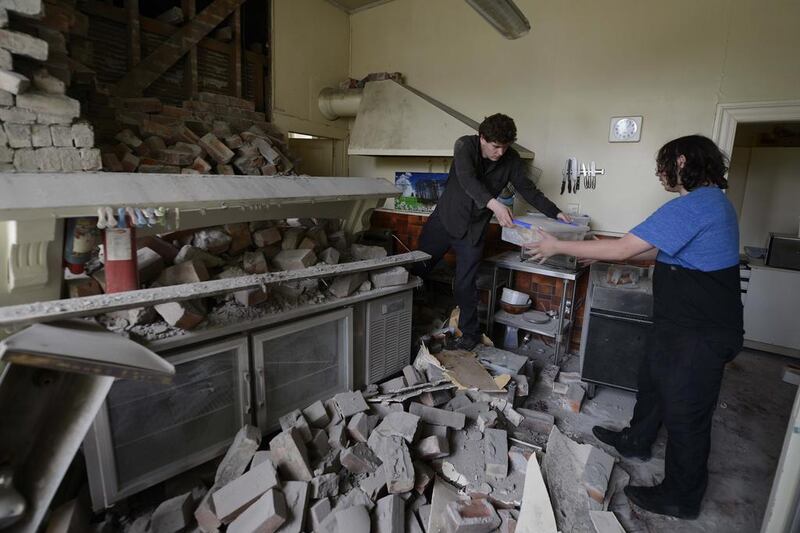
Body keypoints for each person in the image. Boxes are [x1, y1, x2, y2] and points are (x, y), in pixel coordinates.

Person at [526, 134, 743, 519]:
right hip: (680, 324)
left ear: (681, 162)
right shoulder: (710, 204)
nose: (659, 174)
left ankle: (682, 495)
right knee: (654, 379)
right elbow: (655, 245)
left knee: (686, 413)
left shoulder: (695, 206)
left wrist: (560, 246)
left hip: (701, 331)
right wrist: (595, 248)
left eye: (663, 165)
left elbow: (625, 248)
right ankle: (636, 440)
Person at [411, 113, 570, 351]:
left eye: (505, 147)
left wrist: (555, 212)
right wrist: (495, 204)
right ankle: (406, 320)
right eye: (496, 147)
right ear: (482, 138)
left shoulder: (511, 159)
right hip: (444, 221)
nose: (500, 153)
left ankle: (470, 336)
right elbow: (467, 180)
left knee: (466, 285)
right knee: (417, 270)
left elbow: (528, 189)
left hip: (474, 230)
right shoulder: (465, 145)